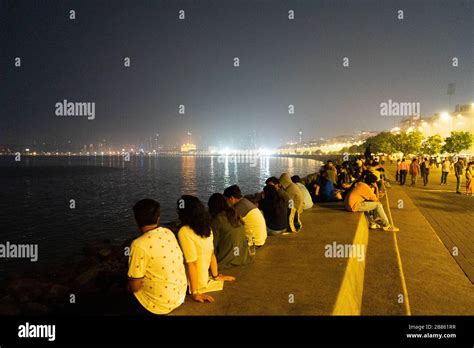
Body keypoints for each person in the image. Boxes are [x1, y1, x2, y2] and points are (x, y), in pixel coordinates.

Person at [127, 199, 187, 315]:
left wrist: (128, 287)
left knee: (129, 291)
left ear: (136, 219)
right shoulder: (168, 232)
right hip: (179, 296)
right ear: (158, 217)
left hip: (160, 305)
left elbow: (135, 287)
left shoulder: (139, 244)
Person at [177, 195, 235, 303]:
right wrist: (216, 276)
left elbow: (191, 263)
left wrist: (195, 293)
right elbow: (211, 254)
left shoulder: (184, 232)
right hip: (203, 280)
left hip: (190, 284)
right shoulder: (207, 228)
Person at [208, 193, 252, 269]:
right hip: (242, 257)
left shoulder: (217, 220)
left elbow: (213, 244)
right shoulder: (234, 214)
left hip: (227, 260)